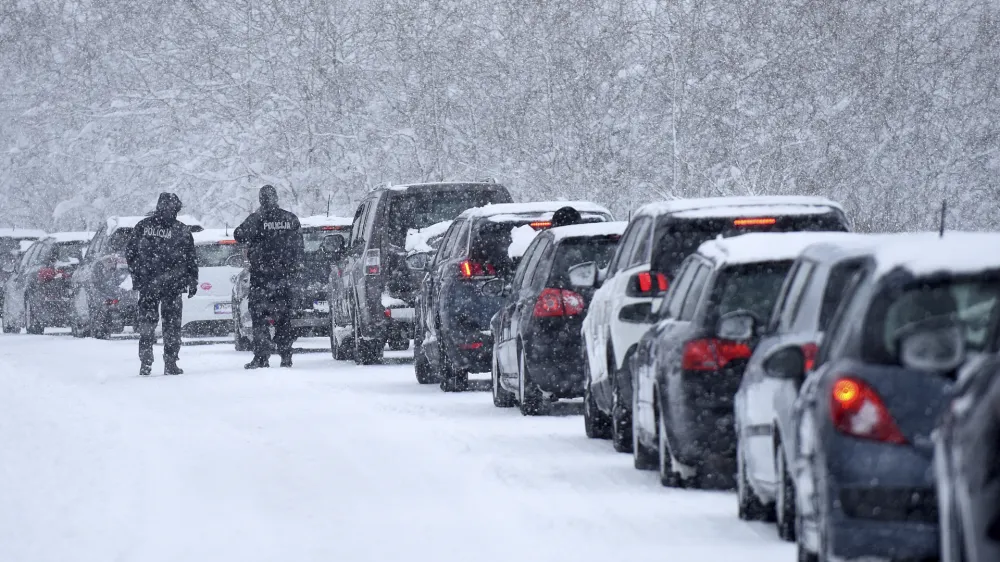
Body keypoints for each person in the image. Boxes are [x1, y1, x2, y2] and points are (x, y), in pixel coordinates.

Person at [125, 193, 199, 376]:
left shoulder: (143, 227)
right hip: (171, 286)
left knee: (147, 325)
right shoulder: (180, 229)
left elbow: (131, 254)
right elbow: (191, 259)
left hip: (149, 285)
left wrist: (138, 276)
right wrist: (192, 280)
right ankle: (170, 363)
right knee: (171, 325)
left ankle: (147, 362)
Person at [234, 185, 304, 369]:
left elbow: (238, 234)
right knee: (284, 318)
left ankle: (262, 357)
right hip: (285, 278)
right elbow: (299, 247)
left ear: (261, 200)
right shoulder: (290, 218)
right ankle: (286, 356)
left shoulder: (257, 219)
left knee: (259, 317)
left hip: (262, 277)